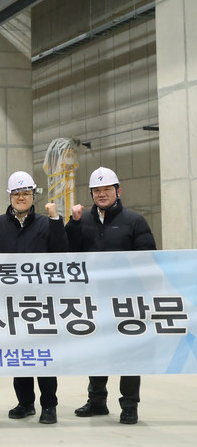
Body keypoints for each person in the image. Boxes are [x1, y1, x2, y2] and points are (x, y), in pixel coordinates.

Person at [66, 167, 155, 425]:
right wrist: (73, 223)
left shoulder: (134, 221)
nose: (102, 194)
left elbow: (148, 259)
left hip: (128, 301)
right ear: (91, 194)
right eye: (97, 190)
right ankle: (97, 401)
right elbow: (69, 253)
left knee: (130, 354)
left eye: (107, 189)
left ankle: (129, 405)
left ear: (118, 191)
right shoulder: (83, 220)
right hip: (95, 300)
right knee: (97, 352)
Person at [0, 171, 68, 425]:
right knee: (20, 357)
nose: (21, 198)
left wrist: (56, 220)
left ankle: (49, 406)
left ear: (33, 195)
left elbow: (61, 253)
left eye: (26, 193)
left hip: (41, 302)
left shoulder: (47, 223)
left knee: (44, 357)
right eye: (16, 194)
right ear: (10, 196)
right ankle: (25, 403)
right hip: (11, 303)